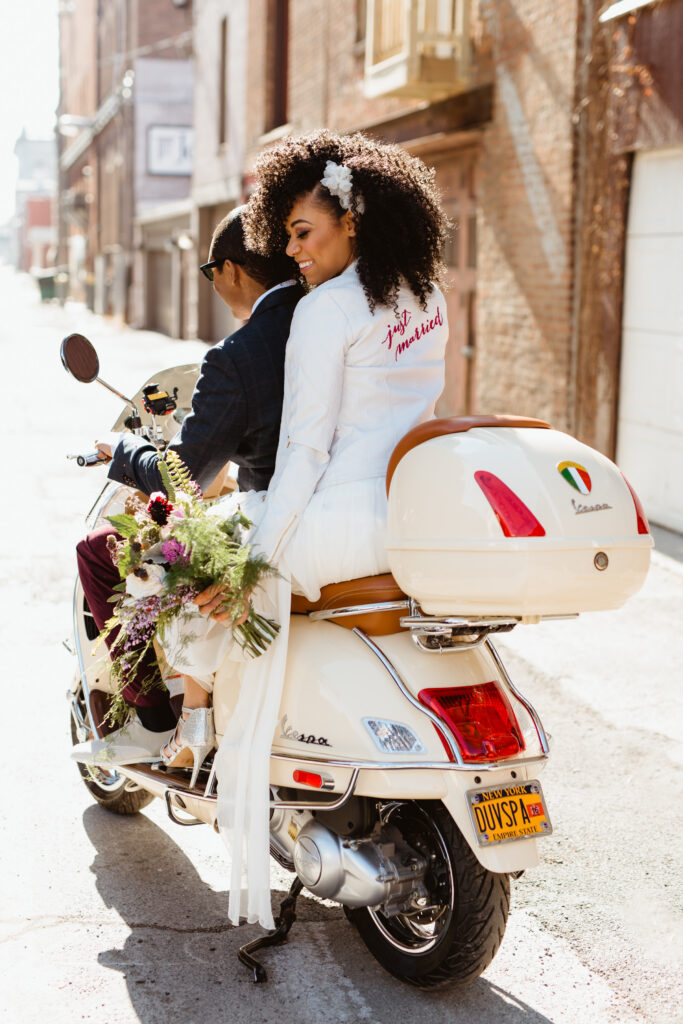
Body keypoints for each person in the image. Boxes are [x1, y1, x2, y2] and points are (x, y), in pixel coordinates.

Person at [157, 129, 450, 930]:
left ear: (351, 220)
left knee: (193, 560)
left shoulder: (325, 312)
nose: (293, 255)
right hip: (410, 521)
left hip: (336, 522)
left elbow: (304, 454)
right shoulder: (426, 296)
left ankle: (191, 728)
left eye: (302, 233)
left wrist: (250, 563)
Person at [73, 206, 303, 764]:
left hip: (271, 516)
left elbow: (183, 477)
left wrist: (124, 452)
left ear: (230, 270)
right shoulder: (326, 320)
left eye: (210, 272)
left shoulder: (238, 354)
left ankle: (153, 717)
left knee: (97, 552)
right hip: (337, 507)